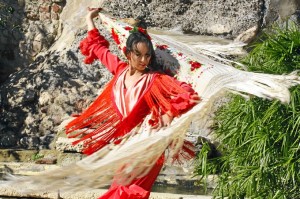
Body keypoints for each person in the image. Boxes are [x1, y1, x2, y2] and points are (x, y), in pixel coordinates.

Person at [65, 7, 200, 199]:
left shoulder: (156, 79)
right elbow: (97, 47)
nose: (143, 60)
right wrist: (89, 18)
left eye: (147, 56)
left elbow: (187, 93)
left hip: (147, 144)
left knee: (125, 193)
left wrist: (168, 114)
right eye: (138, 55)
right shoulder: (119, 71)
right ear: (128, 54)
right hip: (128, 144)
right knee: (121, 192)